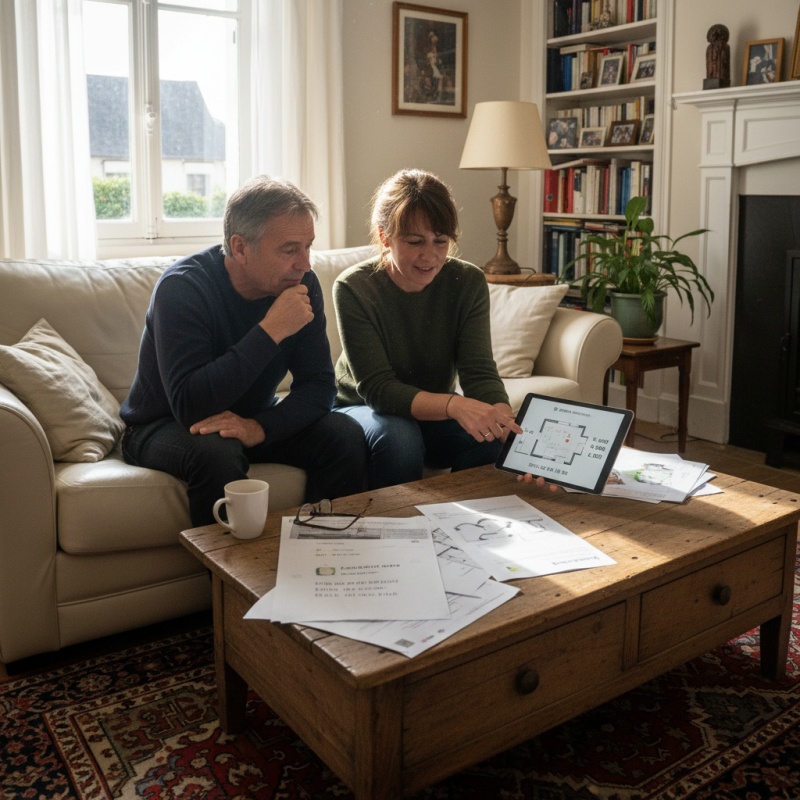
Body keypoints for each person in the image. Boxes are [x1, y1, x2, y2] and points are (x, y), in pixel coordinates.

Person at [120, 175, 366, 526]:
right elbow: (191, 405)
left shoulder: (301, 285)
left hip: (250, 418)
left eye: (308, 247)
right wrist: (271, 330)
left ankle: (320, 557)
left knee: (344, 435)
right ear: (239, 247)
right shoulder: (182, 289)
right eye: (289, 249)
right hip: (160, 425)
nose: (305, 264)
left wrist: (260, 427)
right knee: (218, 451)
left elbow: (319, 386)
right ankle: (225, 581)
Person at [333, 168, 536, 490]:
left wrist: (501, 418)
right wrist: (455, 405)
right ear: (385, 236)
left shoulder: (467, 282)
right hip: (362, 407)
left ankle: (458, 523)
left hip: (434, 409)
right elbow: (379, 389)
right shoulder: (354, 287)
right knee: (400, 439)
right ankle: (400, 530)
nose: (430, 256)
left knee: (494, 442)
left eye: (440, 241)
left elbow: (478, 370)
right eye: (415, 242)